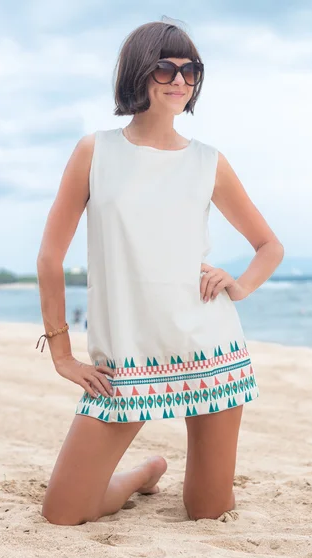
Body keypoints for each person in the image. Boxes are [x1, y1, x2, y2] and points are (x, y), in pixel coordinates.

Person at [36, 20, 284, 526]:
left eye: (190, 70)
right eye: (165, 67)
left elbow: (268, 246)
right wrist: (61, 353)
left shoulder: (208, 162)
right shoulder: (95, 151)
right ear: (138, 73)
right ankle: (140, 475)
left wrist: (240, 284)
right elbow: (49, 256)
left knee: (208, 512)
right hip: (126, 362)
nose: (179, 79)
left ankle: (156, 477)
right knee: (62, 513)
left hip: (210, 349)